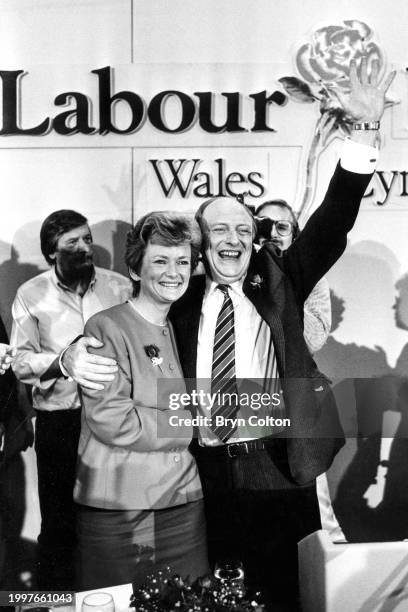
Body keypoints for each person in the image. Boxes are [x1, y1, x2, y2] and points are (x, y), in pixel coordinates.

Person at [63, 59, 394, 611]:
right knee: (214, 597)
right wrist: (74, 354)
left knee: (290, 596)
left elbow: (334, 219)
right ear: (202, 244)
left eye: (244, 228)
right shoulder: (179, 295)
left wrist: (362, 134)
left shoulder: (283, 277)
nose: (234, 238)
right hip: (205, 475)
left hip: (279, 466)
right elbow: (121, 323)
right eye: (220, 229)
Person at [74, 211, 207, 590]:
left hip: (184, 503)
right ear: (135, 270)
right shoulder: (106, 327)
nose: (174, 272)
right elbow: (113, 420)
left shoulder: (182, 326)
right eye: (160, 261)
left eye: (183, 261)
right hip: (120, 511)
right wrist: (190, 424)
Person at [10, 210, 132, 590]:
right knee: (59, 524)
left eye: (87, 239)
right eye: (72, 243)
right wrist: (63, 361)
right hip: (59, 424)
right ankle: (57, 602)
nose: (85, 248)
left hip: (111, 420)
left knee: (110, 519)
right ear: (51, 253)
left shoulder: (119, 288)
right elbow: (20, 362)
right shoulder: (30, 295)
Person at [255, 199, 345, 541]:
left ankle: (330, 579)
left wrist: (283, 291)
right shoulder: (240, 276)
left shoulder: (312, 279)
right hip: (249, 406)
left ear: (296, 235)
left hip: (297, 404)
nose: (273, 233)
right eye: (265, 225)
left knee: (316, 505)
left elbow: (312, 339)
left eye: (283, 227)